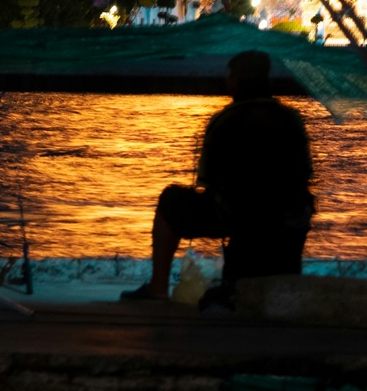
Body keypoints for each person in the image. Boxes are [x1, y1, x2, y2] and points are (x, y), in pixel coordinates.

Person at [121, 49, 315, 303]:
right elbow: (304, 175)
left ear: (234, 82)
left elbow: (208, 182)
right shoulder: (291, 119)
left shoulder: (225, 120)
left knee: (172, 199)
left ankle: (158, 288)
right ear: (267, 83)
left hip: (241, 215)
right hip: (288, 218)